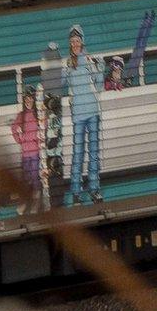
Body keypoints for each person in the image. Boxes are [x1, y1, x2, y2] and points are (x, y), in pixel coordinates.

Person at [65, 25, 105, 203]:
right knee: (78, 153)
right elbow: (62, 84)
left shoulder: (89, 59)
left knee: (94, 153)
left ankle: (94, 190)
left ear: (82, 41)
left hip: (93, 112)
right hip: (78, 116)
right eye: (72, 41)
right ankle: (76, 191)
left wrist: (98, 67)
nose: (75, 44)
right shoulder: (67, 63)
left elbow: (99, 84)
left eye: (77, 40)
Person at [11, 89, 43, 213]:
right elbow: (14, 128)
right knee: (25, 178)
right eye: (26, 99)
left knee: (35, 177)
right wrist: (20, 139)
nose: (28, 101)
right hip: (25, 153)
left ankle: (36, 201)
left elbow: (42, 130)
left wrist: (37, 141)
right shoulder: (21, 115)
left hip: (35, 153)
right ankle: (24, 202)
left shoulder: (38, 114)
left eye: (30, 99)